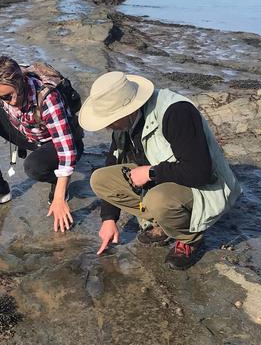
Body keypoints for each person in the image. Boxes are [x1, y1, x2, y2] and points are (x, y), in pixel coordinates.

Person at [78, 71, 241, 269]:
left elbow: (200, 172)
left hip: (205, 187)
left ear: (127, 110)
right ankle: (164, 221)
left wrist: (150, 173)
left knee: (157, 200)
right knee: (100, 180)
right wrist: (109, 218)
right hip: (165, 178)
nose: (108, 127)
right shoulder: (124, 125)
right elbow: (112, 163)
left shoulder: (176, 112)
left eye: (110, 121)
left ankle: (190, 238)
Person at [0, 55, 83, 232]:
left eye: (17, 92)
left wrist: (59, 198)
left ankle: (58, 183)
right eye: (6, 97)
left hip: (59, 143)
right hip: (29, 135)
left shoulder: (47, 98)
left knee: (33, 167)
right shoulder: (1, 88)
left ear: (22, 80)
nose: (13, 101)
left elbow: (67, 152)